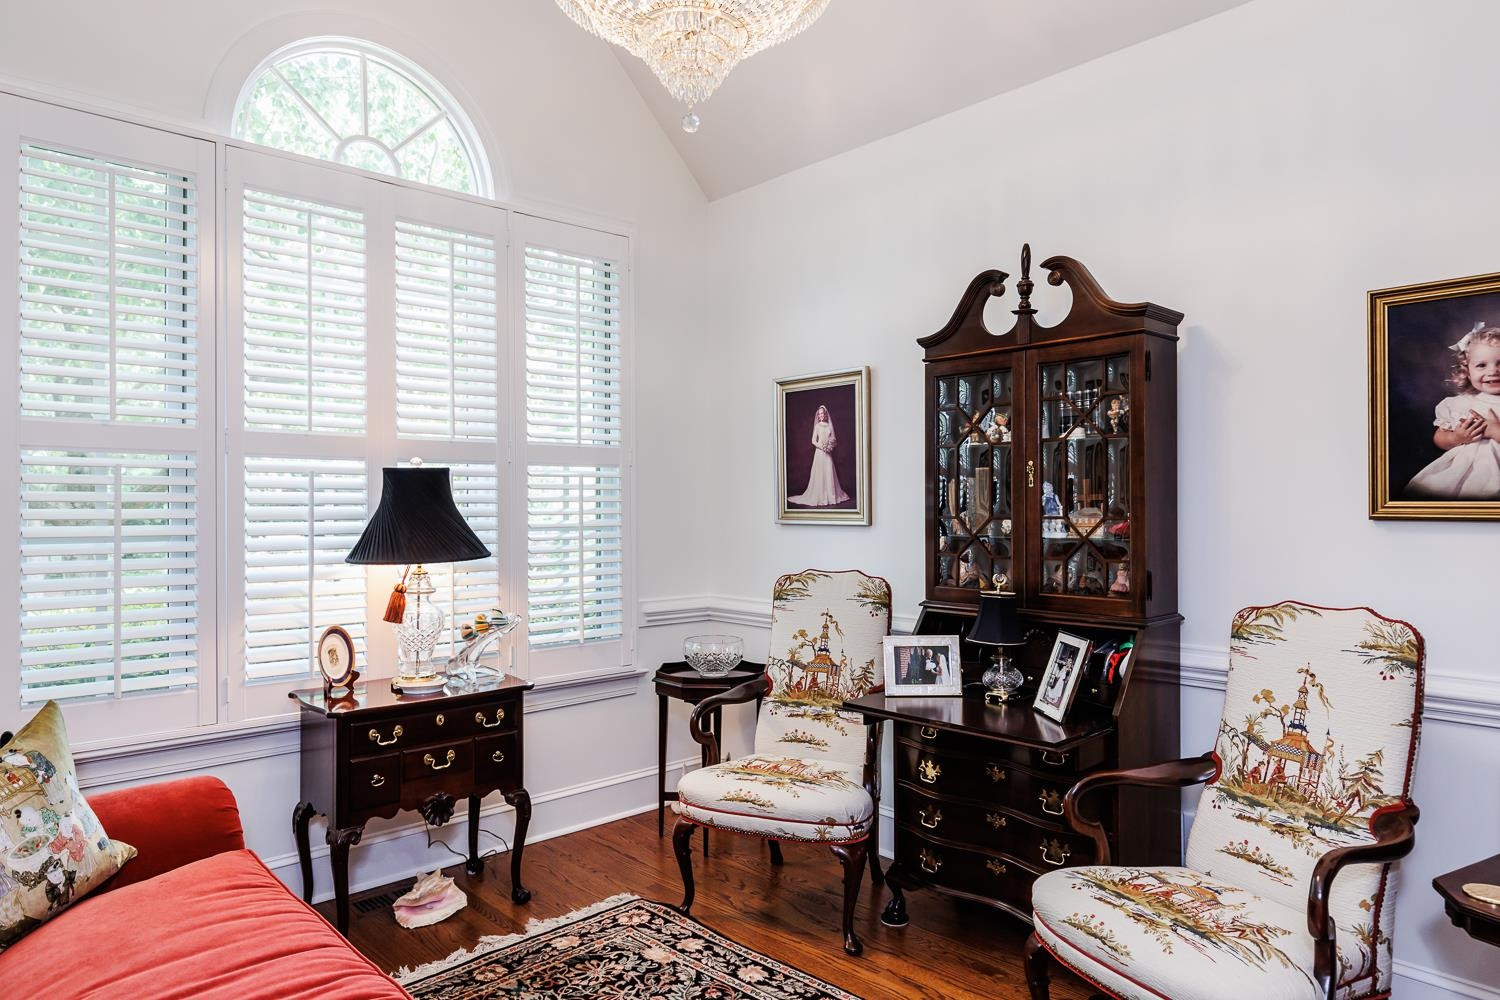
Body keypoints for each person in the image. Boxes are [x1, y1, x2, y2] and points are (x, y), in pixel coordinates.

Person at [1406, 323, 1500, 499]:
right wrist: (1456, 438)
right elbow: (1439, 437)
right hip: (1466, 471)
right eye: (1481, 365)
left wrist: (1495, 430)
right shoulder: (1459, 404)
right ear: (1467, 372)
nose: (1493, 371)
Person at [789, 404, 850, 506]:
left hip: (828, 454)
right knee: (820, 474)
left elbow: (833, 440)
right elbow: (813, 440)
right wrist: (822, 447)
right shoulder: (817, 426)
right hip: (819, 453)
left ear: (825, 414)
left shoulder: (829, 426)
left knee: (828, 473)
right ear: (818, 415)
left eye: (822, 413)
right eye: (819, 414)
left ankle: (830, 496)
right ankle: (820, 496)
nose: (821, 415)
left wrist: (830, 446)